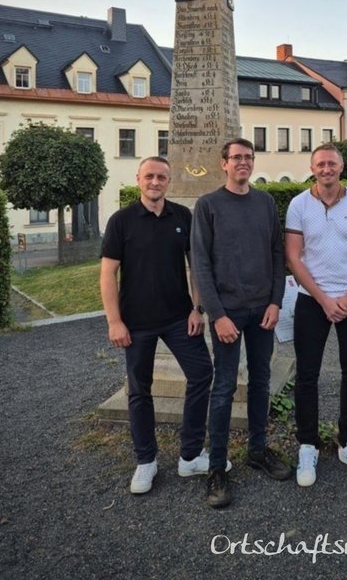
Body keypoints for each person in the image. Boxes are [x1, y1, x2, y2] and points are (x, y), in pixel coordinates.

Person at [100, 156, 213, 495]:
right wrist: (114, 321)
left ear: (169, 181)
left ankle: (190, 455)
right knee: (139, 390)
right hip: (136, 323)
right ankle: (146, 460)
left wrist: (197, 309)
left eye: (161, 177)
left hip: (179, 318)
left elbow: (196, 267)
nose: (155, 182)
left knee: (202, 374)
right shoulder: (121, 221)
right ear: (138, 179)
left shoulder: (182, 216)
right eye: (149, 176)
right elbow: (107, 274)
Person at [191, 138, 292, 509]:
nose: (243, 163)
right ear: (224, 163)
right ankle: (217, 467)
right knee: (224, 387)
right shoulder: (208, 205)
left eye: (248, 157)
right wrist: (216, 315)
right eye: (236, 158)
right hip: (228, 314)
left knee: (261, 381)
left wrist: (276, 302)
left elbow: (278, 255)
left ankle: (258, 450)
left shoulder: (265, 202)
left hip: (262, 310)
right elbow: (200, 264)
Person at [285, 143, 347, 487]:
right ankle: (307, 444)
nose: (326, 169)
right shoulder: (298, 204)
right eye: (321, 164)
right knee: (307, 374)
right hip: (313, 300)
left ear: (341, 168)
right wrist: (324, 299)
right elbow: (294, 257)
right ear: (313, 168)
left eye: (332, 164)